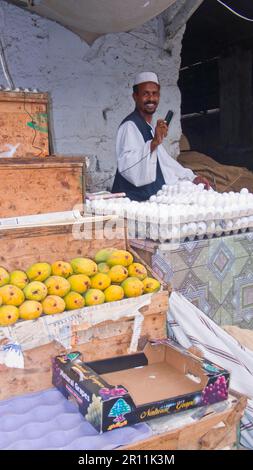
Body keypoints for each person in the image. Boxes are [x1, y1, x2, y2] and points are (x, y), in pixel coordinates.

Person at [112, 72, 210, 201]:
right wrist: (153, 143)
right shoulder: (130, 126)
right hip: (133, 201)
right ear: (135, 96)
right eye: (145, 93)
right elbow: (128, 166)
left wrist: (191, 177)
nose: (151, 99)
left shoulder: (150, 128)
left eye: (154, 93)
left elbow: (165, 162)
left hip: (151, 197)